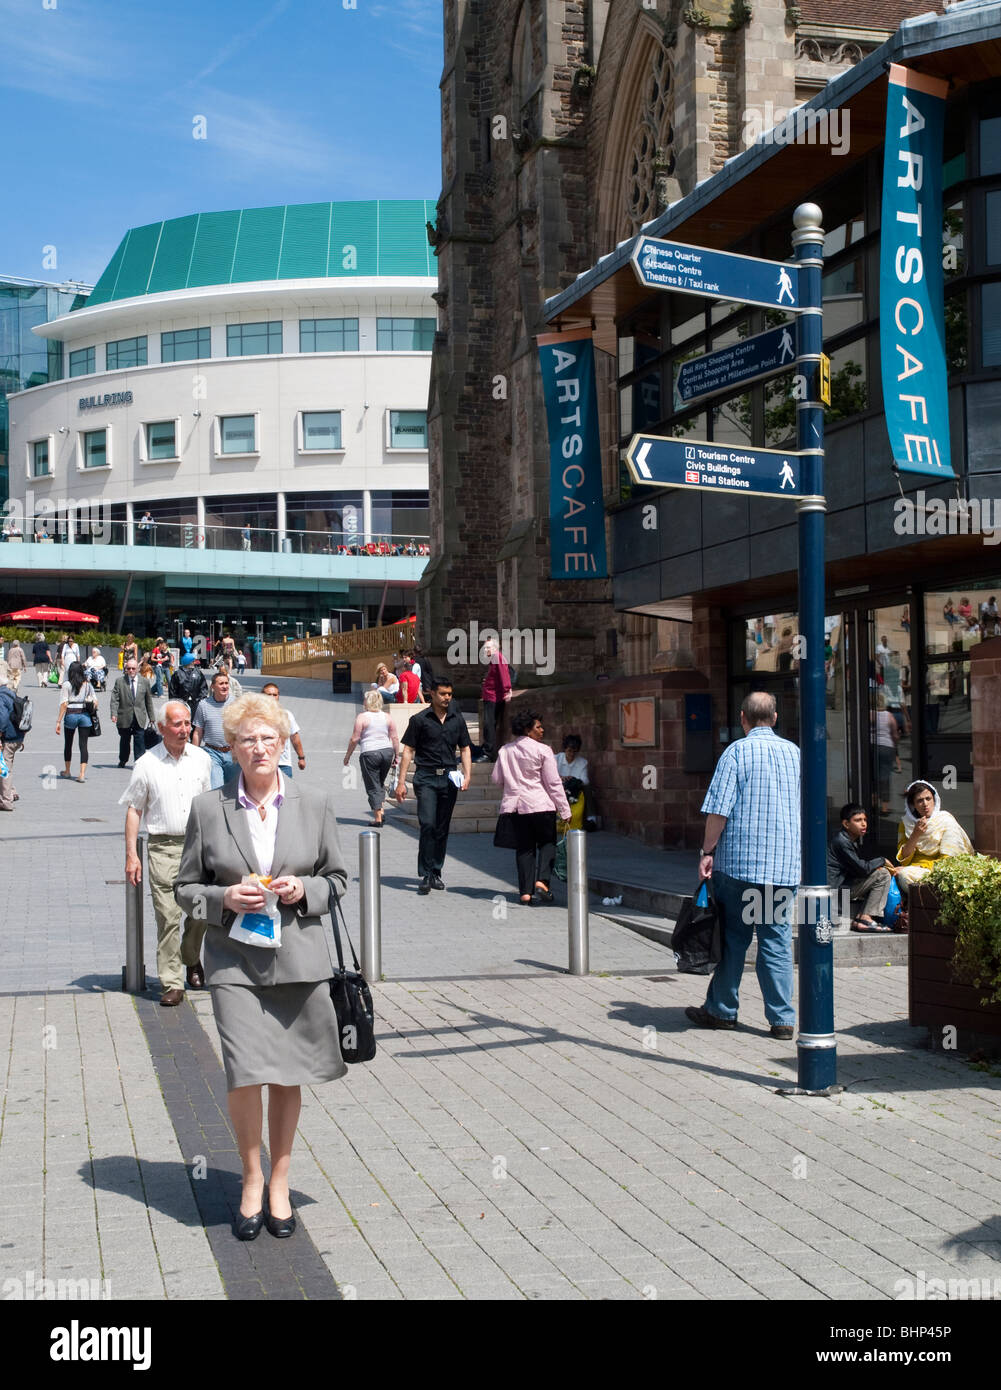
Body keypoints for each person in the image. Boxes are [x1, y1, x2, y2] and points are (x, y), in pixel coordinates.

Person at [174, 692, 349, 1240]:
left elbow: (338, 880)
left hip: (297, 959)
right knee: (245, 1069)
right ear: (231, 747)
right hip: (233, 961)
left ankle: (280, 1182)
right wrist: (223, 900)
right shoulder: (209, 808)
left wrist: (305, 889)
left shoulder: (315, 804)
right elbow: (183, 887)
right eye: (247, 739)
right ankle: (251, 1178)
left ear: (282, 744)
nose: (258, 748)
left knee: (288, 1071)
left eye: (268, 738)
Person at [686, 691, 800, 1040]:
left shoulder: (736, 752)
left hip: (741, 866)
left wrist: (707, 850)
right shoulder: (795, 754)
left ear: (743, 718)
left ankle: (722, 1010)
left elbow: (719, 810)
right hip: (782, 867)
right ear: (776, 717)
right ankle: (781, 1020)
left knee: (734, 939)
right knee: (776, 942)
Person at [121, 702, 213, 1006]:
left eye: (187, 723)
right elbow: (134, 810)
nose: (184, 729)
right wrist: (131, 855)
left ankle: (190, 957)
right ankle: (172, 982)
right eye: (177, 724)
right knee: (168, 917)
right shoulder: (147, 763)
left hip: (198, 847)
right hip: (163, 847)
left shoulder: (201, 759)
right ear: (161, 728)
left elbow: (210, 806)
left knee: (201, 912)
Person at [395, 677, 472, 893]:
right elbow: (408, 750)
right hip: (426, 777)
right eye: (443, 694)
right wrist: (401, 782)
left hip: (449, 778)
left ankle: (436, 872)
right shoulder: (419, 720)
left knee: (441, 827)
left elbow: (465, 748)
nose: (447, 697)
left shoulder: (457, 720)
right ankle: (426, 873)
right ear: (432, 694)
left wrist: (467, 775)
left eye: (450, 694)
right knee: (428, 824)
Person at [492, 709, 571, 905]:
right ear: (528, 729)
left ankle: (525, 893)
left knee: (524, 848)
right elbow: (553, 783)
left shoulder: (505, 750)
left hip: (517, 807)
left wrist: (512, 783)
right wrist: (564, 808)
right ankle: (542, 881)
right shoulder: (543, 750)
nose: (542, 730)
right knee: (547, 843)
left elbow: (496, 779)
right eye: (538, 727)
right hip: (541, 804)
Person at [828, 803, 898, 932]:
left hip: (841, 888)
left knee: (879, 872)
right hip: (836, 892)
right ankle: (865, 918)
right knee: (882, 874)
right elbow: (863, 869)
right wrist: (882, 860)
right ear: (846, 824)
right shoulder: (841, 842)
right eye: (858, 820)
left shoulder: (848, 840)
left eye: (864, 819)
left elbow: (859, 869)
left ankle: (861, 918)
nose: (864, 824)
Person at [895, 780, 974, 891]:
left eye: (928, 799)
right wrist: (915, 834)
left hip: (937, 871)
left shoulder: (946, 821)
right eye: (920, 801)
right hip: (911, 871)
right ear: (912, 804)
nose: (925, 804)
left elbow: (948, 861)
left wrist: (919, 867)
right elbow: (904, 860)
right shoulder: (906, 824)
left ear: (934, 799)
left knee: (904, 875)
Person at [345, 690, 400, 826]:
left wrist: (347, 756)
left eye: (364, 700)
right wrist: (396, 756)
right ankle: (381, 811)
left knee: (372, 785)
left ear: (368, 701)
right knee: (379, 782)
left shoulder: (362, 717)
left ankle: (377, 818)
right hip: (387, 751)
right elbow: (394, 738)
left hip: (370, 752)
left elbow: (354, 738)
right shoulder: (387, 717)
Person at [192, 670, 236, 788]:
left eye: (226, 683)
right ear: (213, 686)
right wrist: (193, 754)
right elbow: (198, 731)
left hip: (233, 753)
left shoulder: (236, 703)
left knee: (234, 789)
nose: (225, 686)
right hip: (212, 753)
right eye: (221, 684)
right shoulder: (204, 705)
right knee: (217, 787)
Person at [111, 656, 156, 768]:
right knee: (125, 740)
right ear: (126, 669)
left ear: (137, 669)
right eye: (129, 668)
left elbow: (148, 700)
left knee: (139, 739)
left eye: (133, 668)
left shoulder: (144, 682)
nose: (131, 671)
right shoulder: (120, 682)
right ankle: (123, 759)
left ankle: (139, 761)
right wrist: (113, 713)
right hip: (124, 716)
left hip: (139, 715)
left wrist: (152, 717)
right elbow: (114, 699)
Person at [56, 661, 96, 782]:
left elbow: (64, 704)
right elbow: (95, 701)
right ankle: (82, 774)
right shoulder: (88, 684)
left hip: (71, 715)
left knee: (68, 743)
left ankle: (67, 771)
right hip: (84, 715)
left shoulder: (67, 685)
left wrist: (58, 721)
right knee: (83, 745)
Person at [476, 636, 512, 762]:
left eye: (488, 647)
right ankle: (488, 751)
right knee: (489, 724)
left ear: (495, 648)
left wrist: (507, 689)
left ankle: (488, 753)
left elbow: (504, 674)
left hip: (493, 697)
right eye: (485, 648)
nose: (486, 650)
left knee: (489, 724)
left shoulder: (497, 657)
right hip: (491, 696)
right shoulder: (495, 659)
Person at [261, 682, 307, 778]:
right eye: (269, 695)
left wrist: (301, 757)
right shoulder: (255, 716)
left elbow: (294, 737)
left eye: (275, 695)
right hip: (262, 763)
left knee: (286, 792)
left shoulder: (286, 715)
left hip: (283, 764)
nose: (272, 697)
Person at [555, 733, 598, 829]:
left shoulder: (582, 762)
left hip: (574, 790)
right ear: (565, 749)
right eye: (569, 751)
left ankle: (591, 818)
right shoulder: (556, 758)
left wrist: (573, 779)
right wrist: (560, 777)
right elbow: (547, 774)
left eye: (575, 751)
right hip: (558, 788)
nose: (572, 754)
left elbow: (585, 781)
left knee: (587, 788)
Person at [0, 673, 27, 812]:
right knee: (6, 766)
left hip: (8, 738)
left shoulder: (0, 696)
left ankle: (6, 801)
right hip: (17, 736)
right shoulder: (11, 693)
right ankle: (11, 792)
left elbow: (2, 718)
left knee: (4, 769)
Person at [873, 692, 899, 815]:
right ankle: (884, 807)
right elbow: (894, 733)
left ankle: (872, 802)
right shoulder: (889, 716)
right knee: (885, 777)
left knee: (872, 775)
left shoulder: (870, 714)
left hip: (873, 746)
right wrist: (895, 746)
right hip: (887, 746)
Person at [169, 654, 209, 723]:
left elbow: (203, 688)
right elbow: (172, 691)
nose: (194, 663)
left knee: (195, 723)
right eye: (193, 661)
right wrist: (175, 703)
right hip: (181, 703)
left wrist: (200, 700)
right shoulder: (177, 674)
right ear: (188, 662)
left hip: (196, 703)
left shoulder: (198, 673)